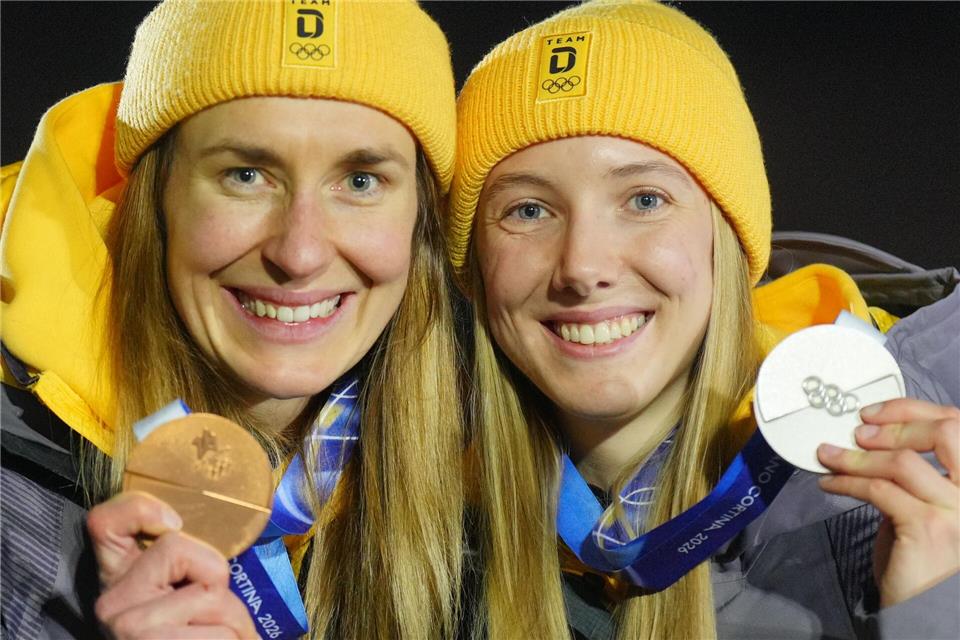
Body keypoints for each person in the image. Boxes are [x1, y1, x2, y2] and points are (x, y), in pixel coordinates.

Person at [447, 1, 960, 638]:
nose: (581, 266)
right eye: (527, 210)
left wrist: (933, 612)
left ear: (729, 239)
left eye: (643, 199)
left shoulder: (916, 486)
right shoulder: (407, 528)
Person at [1, 1, 464, 638]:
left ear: (420, 223)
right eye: (245, 174)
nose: (299, 253)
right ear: (154, 200)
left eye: (360, 181)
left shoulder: (476, 497)